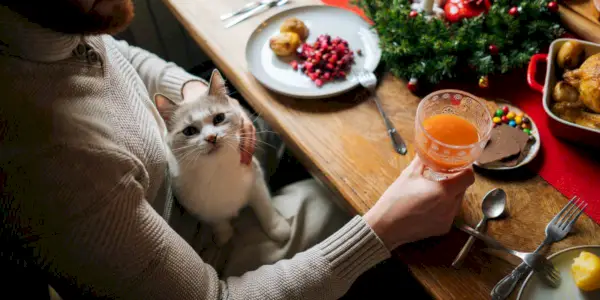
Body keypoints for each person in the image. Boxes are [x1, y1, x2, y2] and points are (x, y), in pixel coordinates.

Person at [0, 1, 475, 299]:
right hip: (199, 252)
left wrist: (191, 95)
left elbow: (123, 57)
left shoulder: (54, 23)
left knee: (293, 121)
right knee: (356, 192)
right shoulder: (49, 161)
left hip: (177, 165)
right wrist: (381, 229)